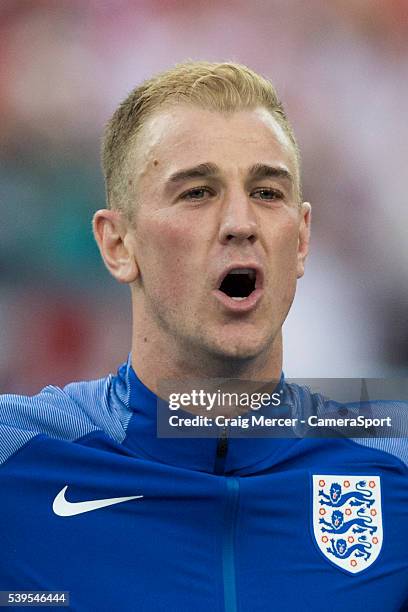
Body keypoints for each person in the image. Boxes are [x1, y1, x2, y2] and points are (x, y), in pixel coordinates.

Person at [0, 62, 407, 612]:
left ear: (302, 237)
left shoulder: (392, 460)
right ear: (118, 244)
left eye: (267, 192)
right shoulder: (18, 459)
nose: (241, 221)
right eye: (197, 192)